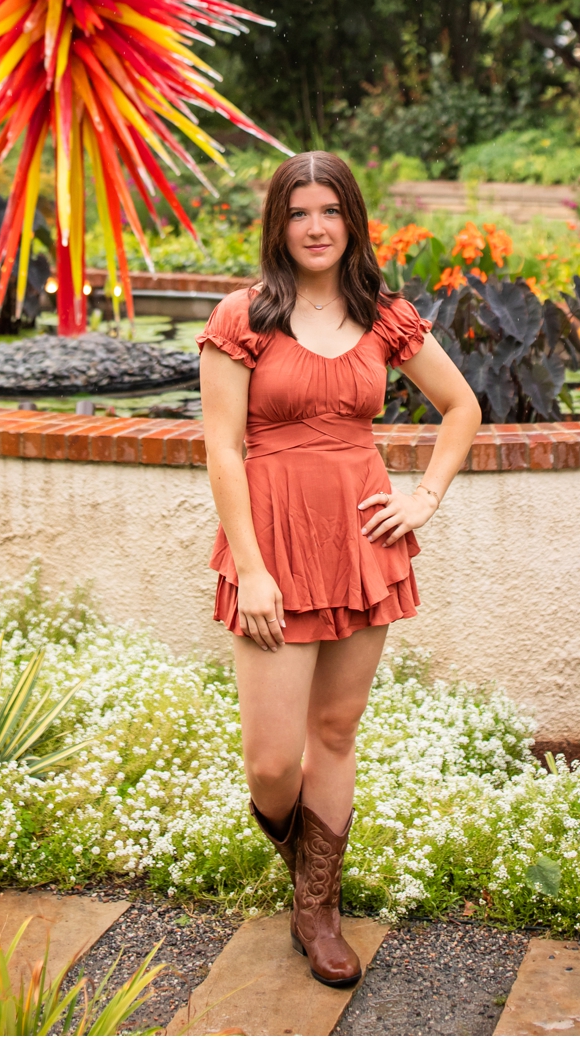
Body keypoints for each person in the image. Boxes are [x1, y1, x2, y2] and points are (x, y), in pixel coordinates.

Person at [194, 150, 479, 989]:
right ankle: (302, 865)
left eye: (329, 211)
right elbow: (221, 447)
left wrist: (423, 498)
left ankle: (318, 909)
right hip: (273, 546)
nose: (315, 227)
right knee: (273, 764)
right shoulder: (242, 315)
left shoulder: (381, 313)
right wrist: (250, 567)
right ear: (277, 225)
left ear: (351, 220)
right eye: (298, 213)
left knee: (335, 733)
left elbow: (462, 407)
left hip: (363, 546)